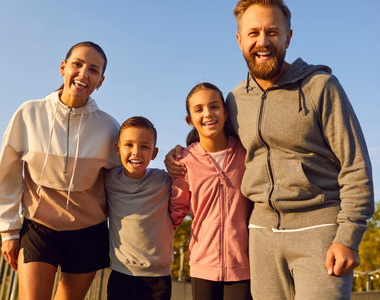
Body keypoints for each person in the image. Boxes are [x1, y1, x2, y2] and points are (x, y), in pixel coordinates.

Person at [165, 1, 375, 299]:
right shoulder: (236, 100)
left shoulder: (321, 87)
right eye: (253, 33)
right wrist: (181, 152)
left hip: (319, 231)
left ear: (288, 36)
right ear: (240, 40)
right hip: (261, 238)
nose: (262, 41)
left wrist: (349, 236)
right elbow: (213, 134)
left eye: (272, 32)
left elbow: (355, 164)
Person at [0, 41, 120, 300]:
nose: (83, 74)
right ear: (63, 67)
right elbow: (7, 174)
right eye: (77, 64)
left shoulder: (109, 128)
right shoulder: (29, 113)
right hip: (40, 228)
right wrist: (8, 231)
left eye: (93, 70)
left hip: (89, 232)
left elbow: (119, 185)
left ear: (101, 81)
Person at [169, 82, 252, 300]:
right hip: (202, 265)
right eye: (199, 109)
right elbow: (175, 214)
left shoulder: (246, 152)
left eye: (214, 106)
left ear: (225, 113)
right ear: (190, 120)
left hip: (244, 264)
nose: (208, 114)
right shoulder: (184, 161)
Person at [105, 116, 173, 300]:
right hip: (121, 274)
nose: (136, 152)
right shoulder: (108, 179)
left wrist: (177, 154)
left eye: (144, 146)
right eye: (129, 145)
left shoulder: (164, 180)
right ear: (117, 149)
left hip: (158, 279)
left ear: (154, 152)